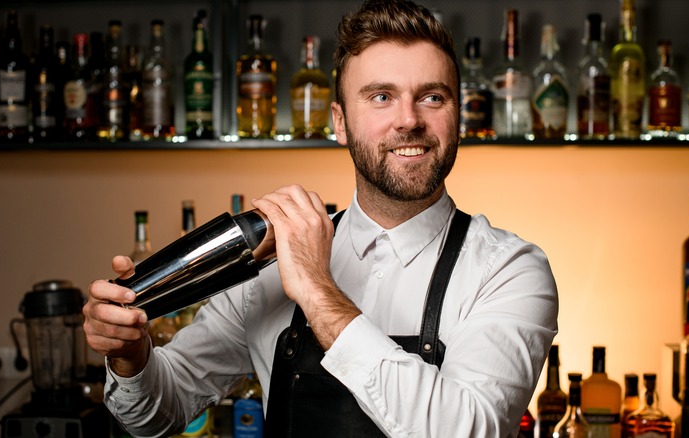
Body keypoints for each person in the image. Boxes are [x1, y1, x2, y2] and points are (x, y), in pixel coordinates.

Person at [82, 1, 559, 436]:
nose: (409, 120)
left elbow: (470, 430)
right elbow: (157, 415)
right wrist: (130, 358)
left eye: (432, 97)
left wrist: (316, 290)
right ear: (338, 121)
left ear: (457, 114)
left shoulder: (508, 269)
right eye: (380, 97)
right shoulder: (270, 262)